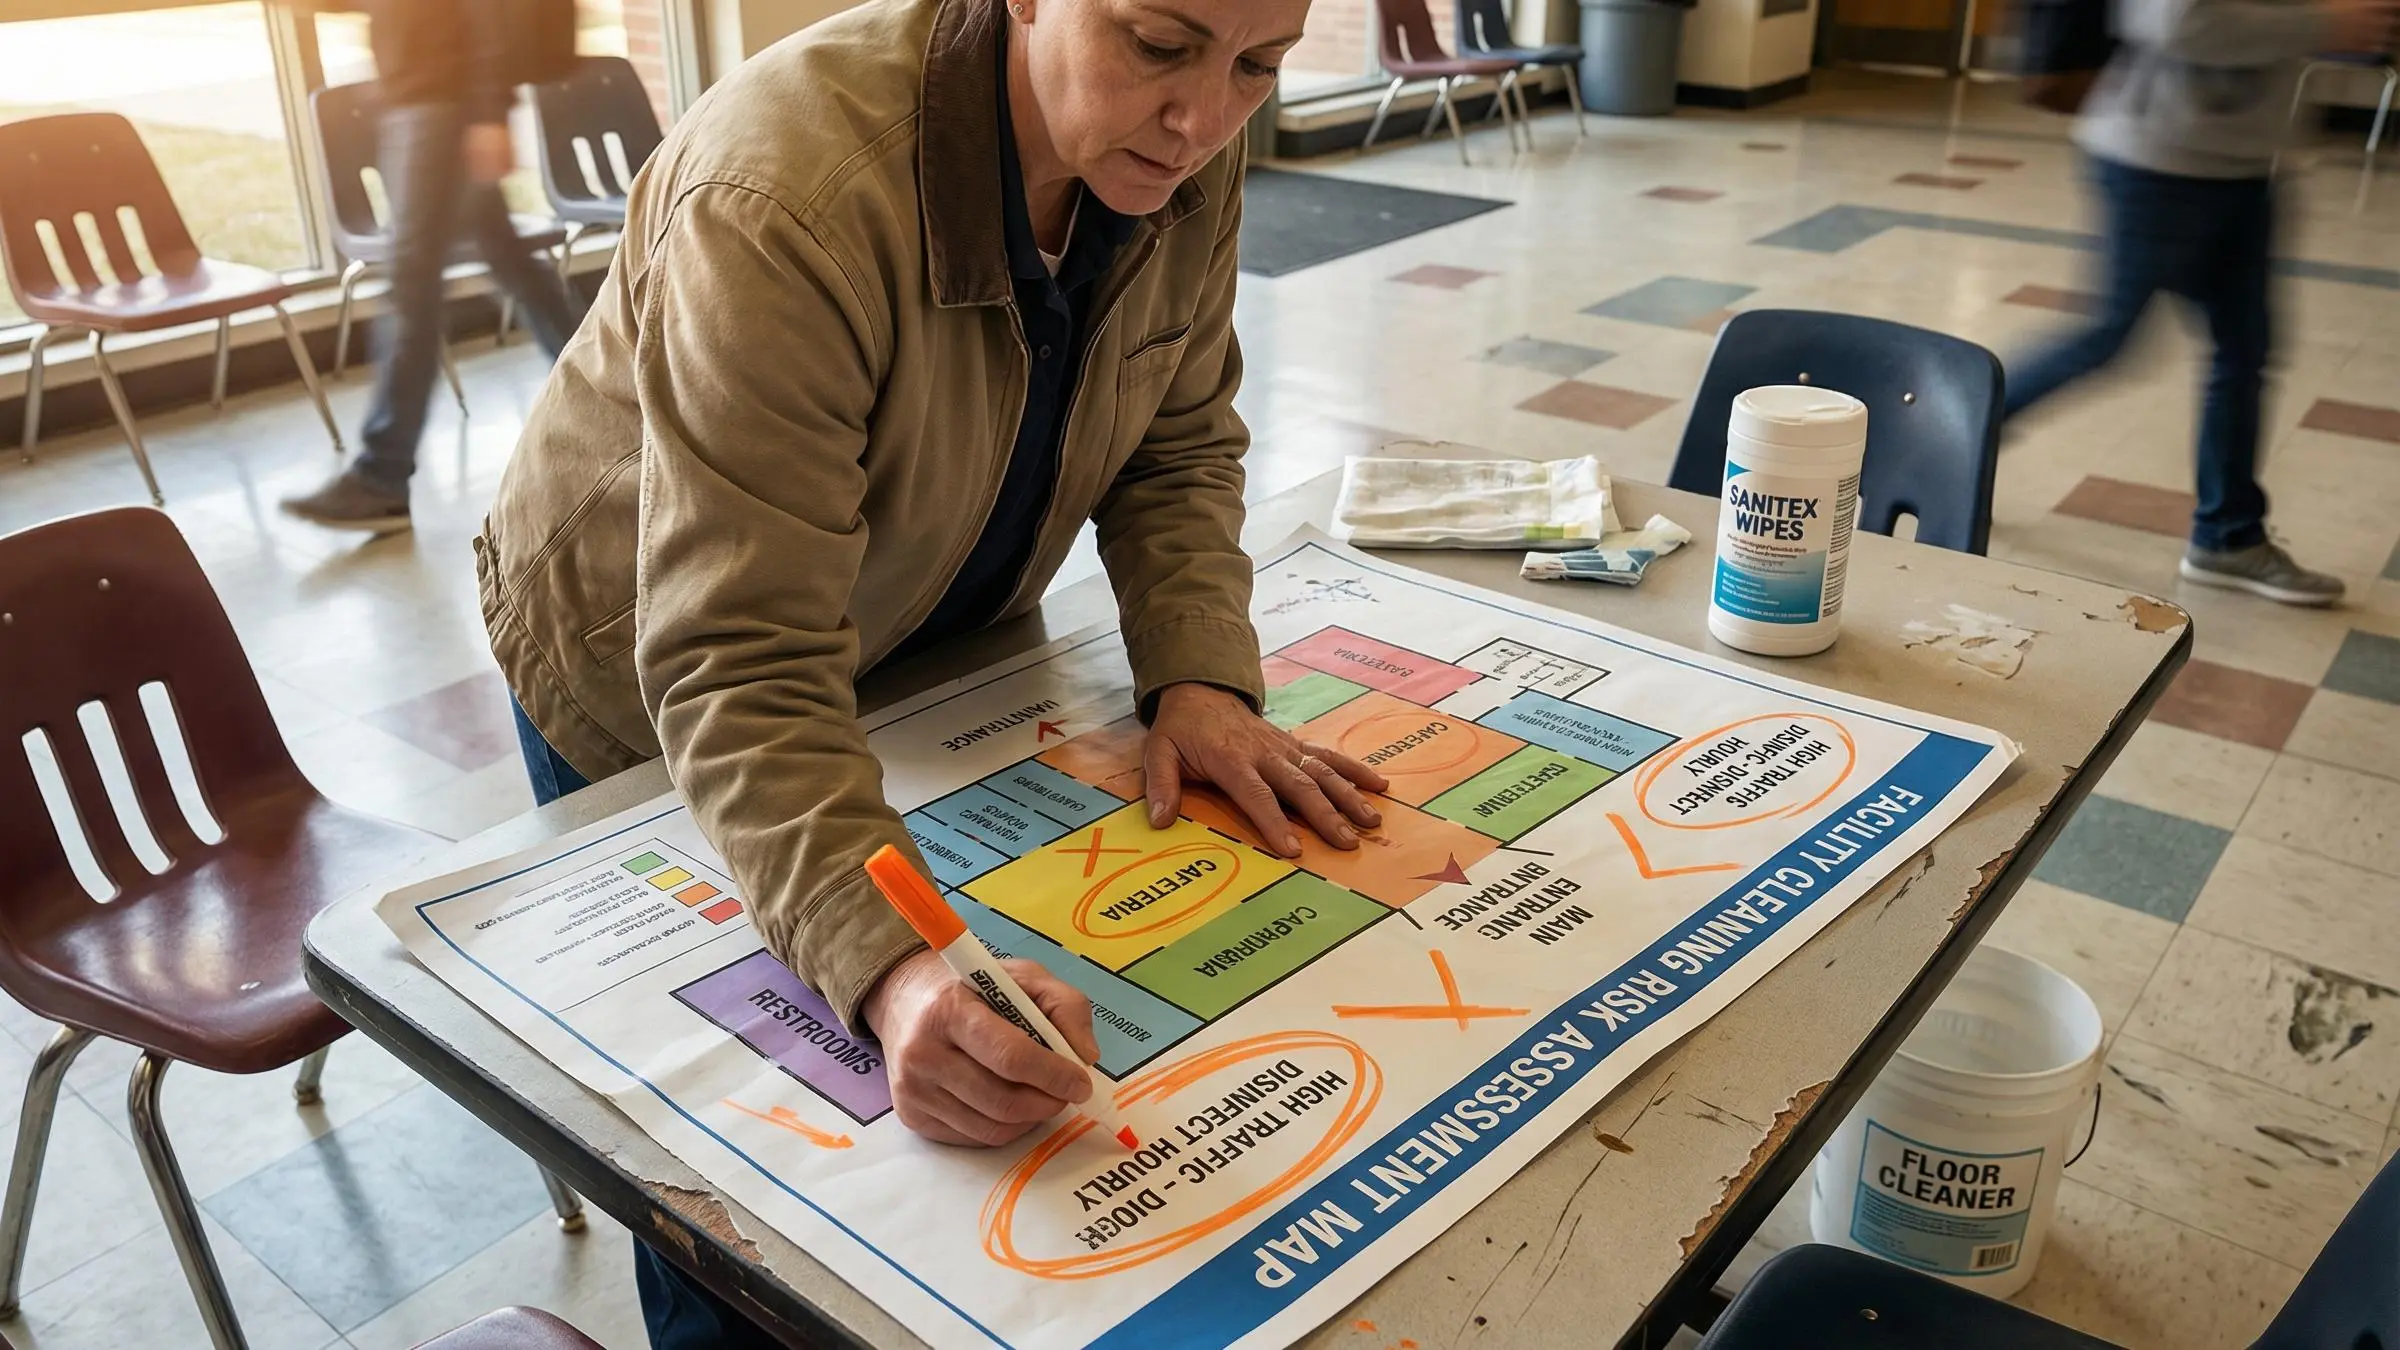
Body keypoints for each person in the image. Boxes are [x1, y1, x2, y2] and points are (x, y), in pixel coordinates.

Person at [479, 0, 1344, 1342]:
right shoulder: (781, 189)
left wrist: (1201, 678)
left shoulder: (1189, 133)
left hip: (921, 626)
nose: (1206, 116)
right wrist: (891, 965)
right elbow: (739, 658)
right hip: (643, 663)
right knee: (747, 1185)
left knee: (941, 1166)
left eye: (1262, 65)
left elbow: (1178, 440)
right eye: (1159, 45)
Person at [2002, 0, 2397, 606]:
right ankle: (1956, 428)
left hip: (2239, 166)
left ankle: (2228, 537)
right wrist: (2323, 22)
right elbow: (2174, 20)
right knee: (2109, 337)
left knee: (2244, 351)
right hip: (2158, 162)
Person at [282, 0, 584, 534]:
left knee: (411, 288)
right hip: (421, 99)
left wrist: (491, 111)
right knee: (514, 266)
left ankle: (381, 474)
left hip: (445, 104)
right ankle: (624, 395)